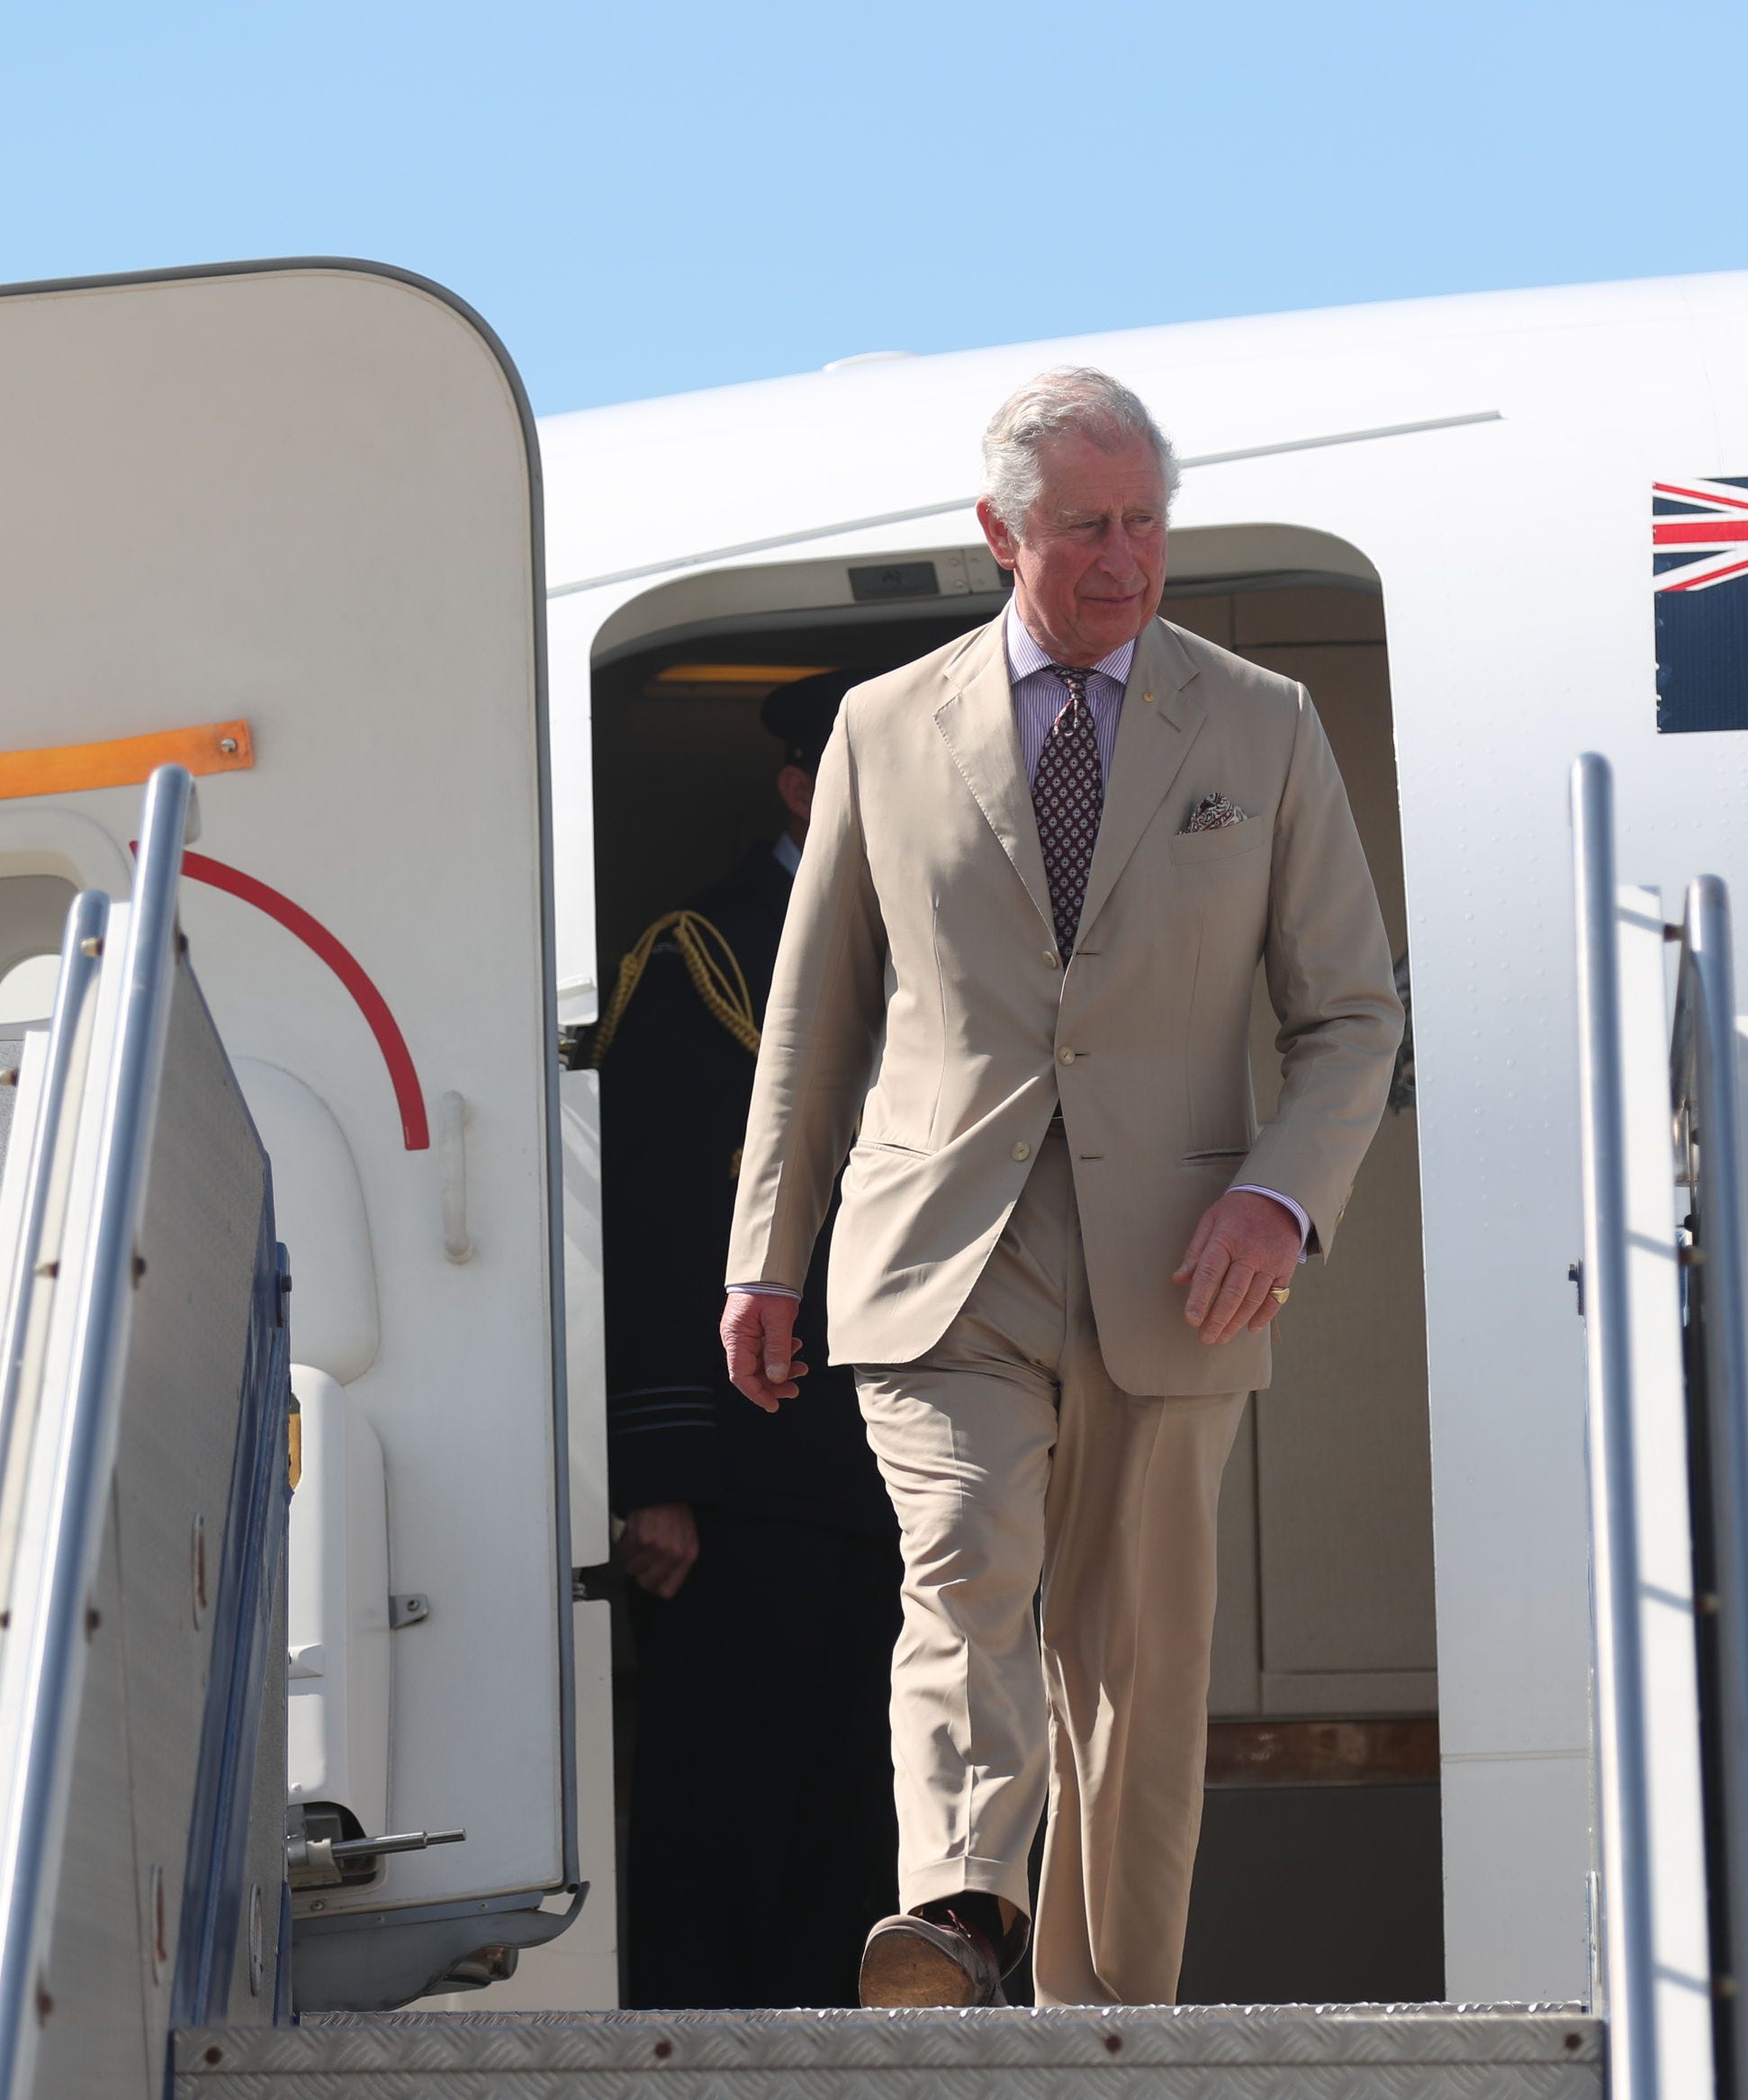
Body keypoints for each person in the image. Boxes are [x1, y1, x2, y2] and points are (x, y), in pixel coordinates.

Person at [717, 369, 1403, 2007]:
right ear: (999, 533)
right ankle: (960, 1912)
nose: (1123, 557)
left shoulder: (1262, 721)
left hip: (1180, 1264)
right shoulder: (884, 727)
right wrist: (766, 1256)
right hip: (943, 1252)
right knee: (961, 1566)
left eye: (1146, 520)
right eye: (1086, 525)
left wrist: (1280, 1199)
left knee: (1135, 1673)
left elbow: (1353, 1016)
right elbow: (814, 1021)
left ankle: (1106, 2025)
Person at [597, 668, 903, 2009]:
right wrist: (660, 1468)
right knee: (728, 1800)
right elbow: (656, 1214)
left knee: (867, 1802)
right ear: (797, 787)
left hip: (892, 1452)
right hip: (742, 1465)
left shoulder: (941, 938)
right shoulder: (705, 951)